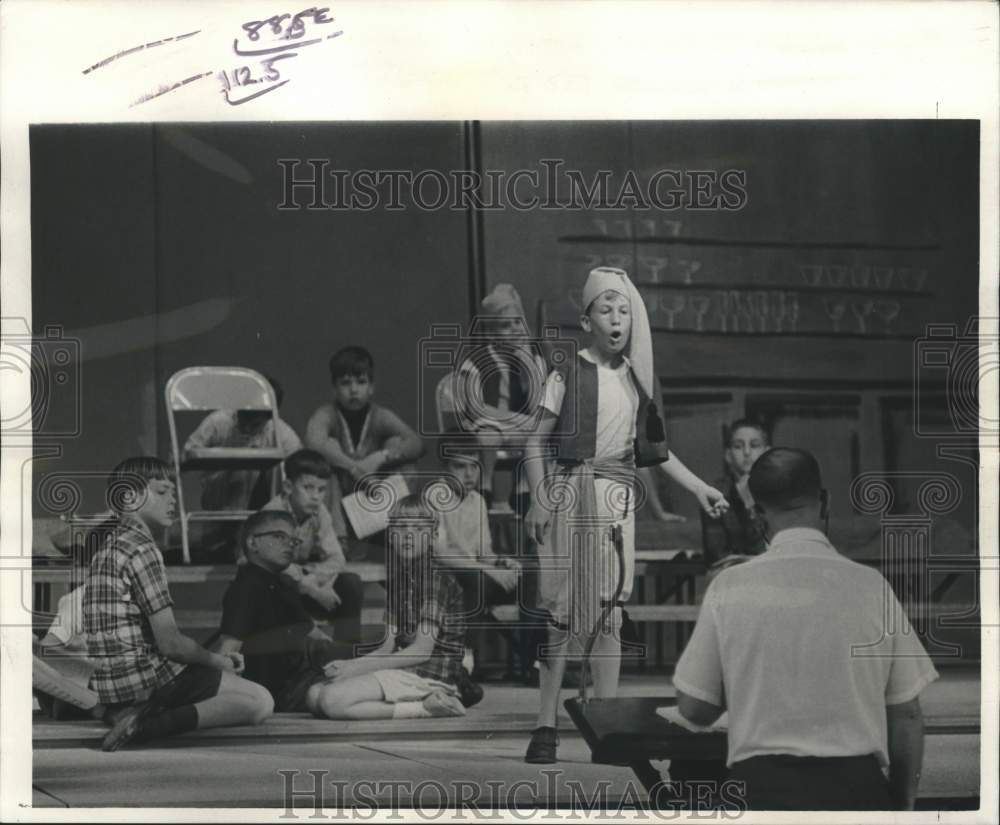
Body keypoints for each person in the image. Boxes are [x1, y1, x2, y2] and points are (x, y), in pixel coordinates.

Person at [522, 266, 729, 764]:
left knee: (610, 612)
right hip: (570, 496)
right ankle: (545, 723)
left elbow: (657, 453)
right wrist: (538, 495)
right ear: (587, 318)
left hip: (615, 503)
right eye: (606, 309)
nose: (616, 319)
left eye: (624, 310)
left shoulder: (638, 381)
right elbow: (535, 442)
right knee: (561, 616)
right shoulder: (566, 372)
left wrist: (700, 488)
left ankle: (607, 724)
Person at [674, 448, 938, 810]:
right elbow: (907, 714)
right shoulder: (871, 586)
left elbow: (694, 708)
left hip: (760, 790)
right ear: (824, 502)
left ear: (756, 514)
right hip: (858, 789)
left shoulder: (729, 586)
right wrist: (902, 806)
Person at [84, 457, 273, 751]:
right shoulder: (142, 549)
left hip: (112, 685)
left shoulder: (108, 546)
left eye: (173, 492)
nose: (173, 500)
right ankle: (147, 725)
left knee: (218, 683)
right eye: (162, 492)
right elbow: (170, 644)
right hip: (146, 682)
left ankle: (123, 714)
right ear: (129, 497)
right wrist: (219, 661)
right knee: (260, 702)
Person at [304, 495, 467, 720]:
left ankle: (426, 708)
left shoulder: (434, 578)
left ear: (433, 536)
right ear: (390, 535)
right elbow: (387, 646)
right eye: (400, 527)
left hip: (429, 675)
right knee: (314, 696)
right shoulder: (399, 581)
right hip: (404, 671)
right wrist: (350, 665)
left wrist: (357, 671)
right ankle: (420, 701)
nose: (408, 535)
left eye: (419, 529)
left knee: (331, 700)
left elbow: (421, 650)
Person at [216, 510, 355, 711]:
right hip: (280, 693)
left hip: (302, 679)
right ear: (252, 543)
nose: (289, 544)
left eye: (293, 540)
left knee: (365, 664)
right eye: (279, 536)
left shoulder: (281, 584)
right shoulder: (246, 587)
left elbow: (317, 637)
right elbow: (228, 651)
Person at [305, 346, 424, 539]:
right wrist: (355, 469)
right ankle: (337, 540)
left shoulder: (380, 416)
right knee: (325, 467)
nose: (353, 390)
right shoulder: (326, 414)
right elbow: (314, 443)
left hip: (372, 498)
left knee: (405, 462)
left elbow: (416, 443)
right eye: (345, 383)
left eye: (361, 382)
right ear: (334, 389)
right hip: (340, 502)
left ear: (371, 388)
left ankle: (399, 536)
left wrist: (381, 456)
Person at [447, 283, 548, 510]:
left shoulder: (533, 360)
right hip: (489, 424)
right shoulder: (477, 360)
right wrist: (519, 419)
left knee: (543, 434)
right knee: (488, 433)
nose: (515, 329)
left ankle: (525, 490)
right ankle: (486, 485)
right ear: (492, 333)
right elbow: (477, 407)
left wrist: (529, 366)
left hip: (521, 429)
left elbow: (536, 407)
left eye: (517, 322)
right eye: (505, 325)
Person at [433, 436, 520, 692]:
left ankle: (535, 663)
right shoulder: (435, 496)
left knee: (528, 577)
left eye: (474, 466)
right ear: (445, 470)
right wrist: (488, 569)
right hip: (444, 576)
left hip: (474, 572)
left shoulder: (478, 501)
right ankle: (464, 663)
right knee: (478, 582)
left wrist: (501, 562)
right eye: (461, 467)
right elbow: (440, 555)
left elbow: (484, 552)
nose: (469, 474)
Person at [260, 449, 364, 643]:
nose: (316, 496)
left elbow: (337, 558)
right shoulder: (273, 514)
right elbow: (273, 564)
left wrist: (314, 581)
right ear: (288, 487)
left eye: (321, 489)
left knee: (351, 583)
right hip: (273, 594)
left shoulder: (319, 512)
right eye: (308, 488)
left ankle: (346, 654)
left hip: (305, 586)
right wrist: (309, 587)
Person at [183, 375, 302, 512]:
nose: (247, 429)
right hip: (219, 506)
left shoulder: (283, 436)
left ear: (269, 419)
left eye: (255, 425)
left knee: (280, 467)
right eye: (243, 421)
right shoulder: (218, 423)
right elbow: (186, 454)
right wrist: (223, 457)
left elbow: (302, 471)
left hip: (264, 513)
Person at [701, 419, 769, 568]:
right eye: (738, 446)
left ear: (766, 452)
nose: (747, 452)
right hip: (729, 576)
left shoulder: (778, 491)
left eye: (754, 445)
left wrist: (749, 502)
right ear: (728, 455)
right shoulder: (715, 495)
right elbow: (717, 555)